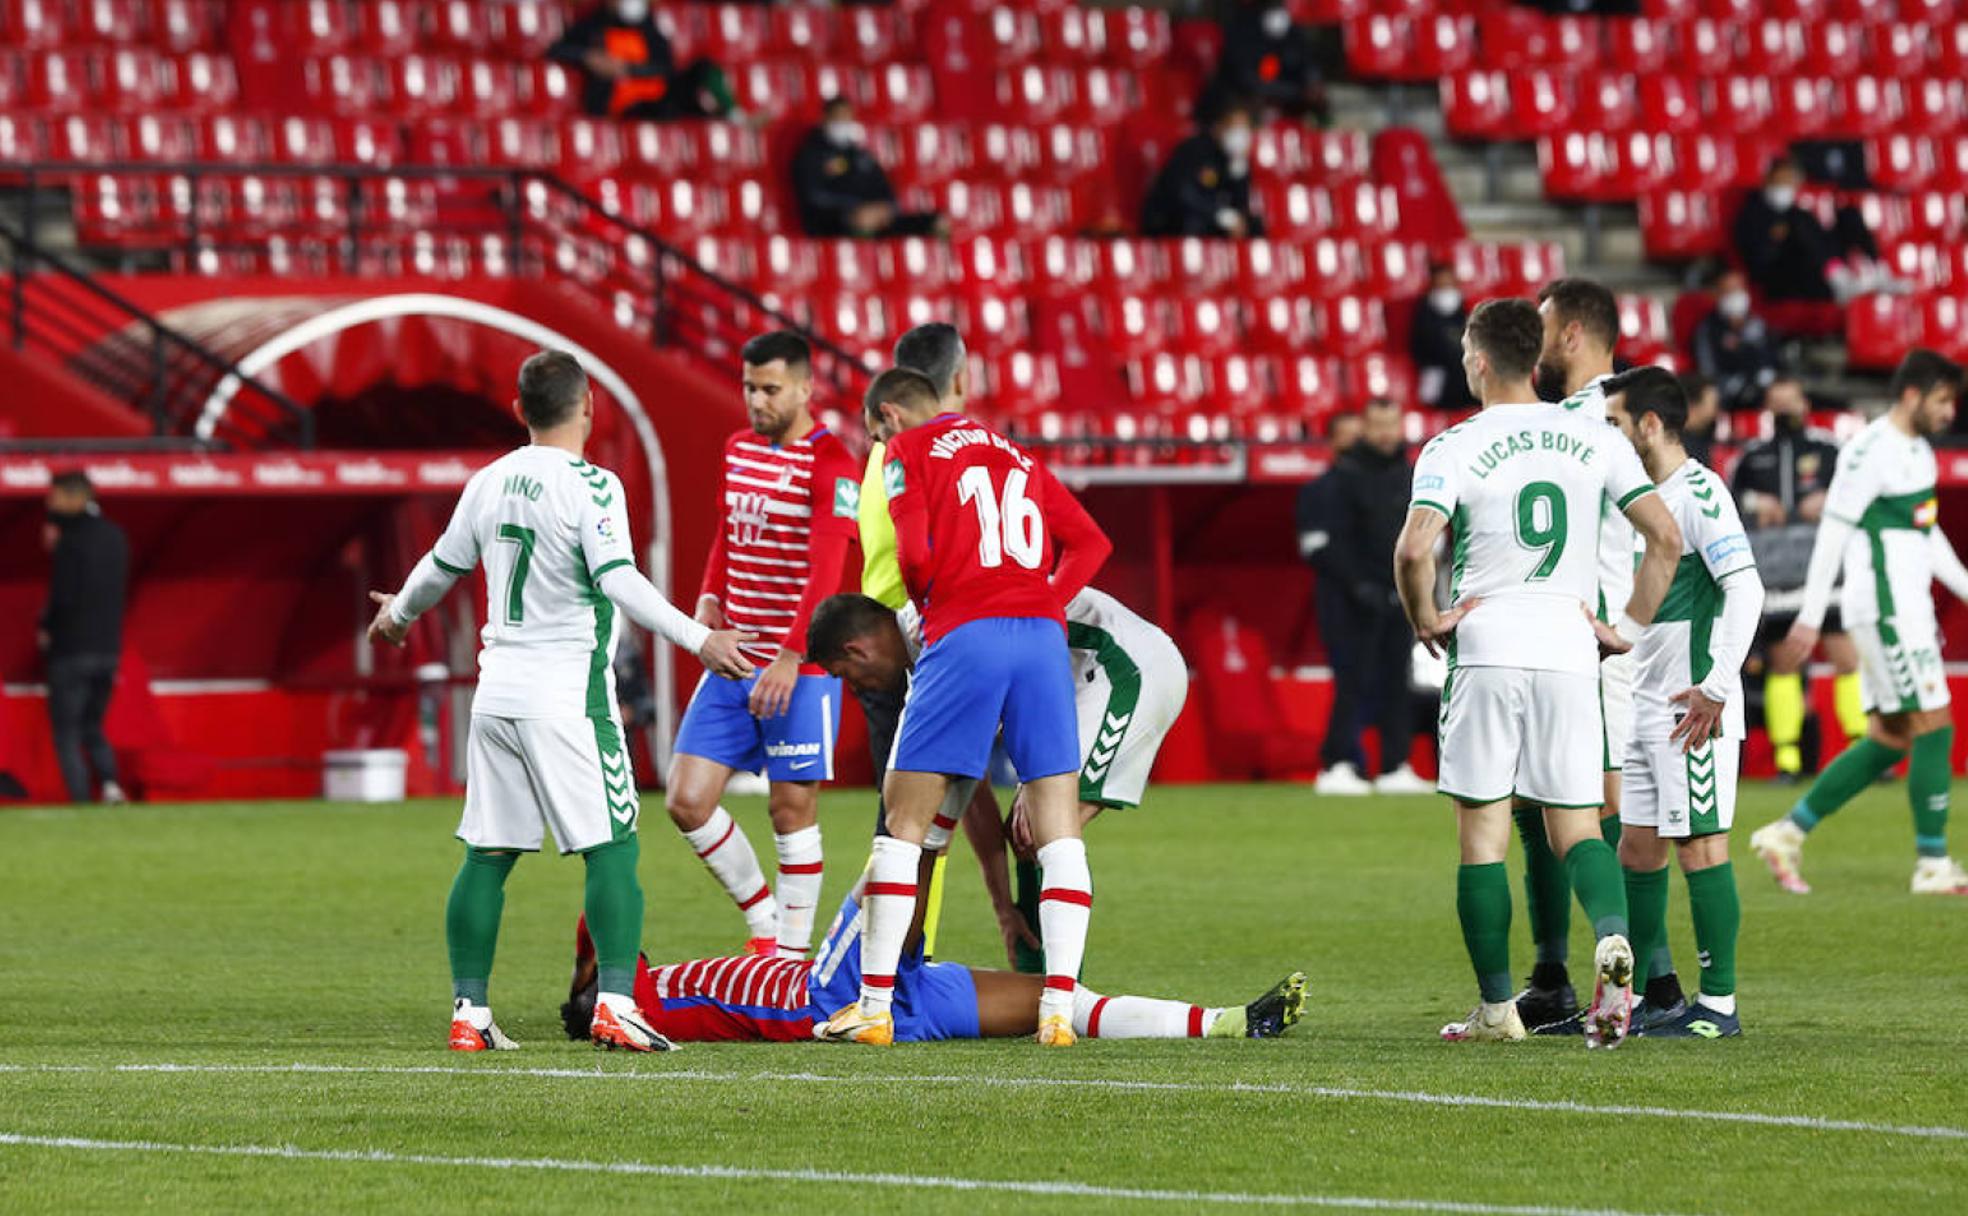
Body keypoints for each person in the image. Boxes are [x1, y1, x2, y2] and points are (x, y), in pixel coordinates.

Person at [366, 349, 752, 1054]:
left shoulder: (489, 481)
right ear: (589, 408)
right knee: (614, 847)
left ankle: (469, 1013)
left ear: (519, 410)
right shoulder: (594, 485)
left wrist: (396, 617)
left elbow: (439, 568)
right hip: (567, 696)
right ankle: (614, 1002)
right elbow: (620, 581)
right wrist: (699, 639)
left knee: (488, 855)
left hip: (496, 696)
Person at [1393, 297, 1682, 1047]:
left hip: (1487, 643)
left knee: (1483, 834)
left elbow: (1414, 549)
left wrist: (1426, 619)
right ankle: (1612, 940)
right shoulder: (1595, 436)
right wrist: (1625, 631)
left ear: (1481, 361)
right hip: (1567, 643)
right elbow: (1666, 538)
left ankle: (1496, 1013)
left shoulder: (1452, 445)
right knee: (1579, 826)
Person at [816, 366, 1112, 1047]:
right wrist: (1044, 599)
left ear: (889, 417)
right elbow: (1094, 542)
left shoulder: (905, 453)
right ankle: (1058, 1010)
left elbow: (915, 555)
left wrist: (932, 608)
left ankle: (875, 1006)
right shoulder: (1016, 453)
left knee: (903, 819)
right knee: (1058, 825)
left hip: (966, 630)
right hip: (1041, 635)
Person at [806, 586, 1189, 967]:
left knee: (1044, 830)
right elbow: (968, 790)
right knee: (1025, 835)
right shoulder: (929, 649)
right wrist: (1004, 910)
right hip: (1079, 681)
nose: (855, 689)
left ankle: (1059, 998)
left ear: (857, 650)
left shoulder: (943, 637)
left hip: (1125, 668)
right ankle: (1033, 985)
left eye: (846, 677)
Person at [1522, 277, 1689, 1035]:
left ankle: (1653, 982)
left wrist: (1624, 627)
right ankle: (1556, 974)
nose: (1537, 342)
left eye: (1545, 326)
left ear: (1570, 336)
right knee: (1540, 803)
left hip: (1596, 646)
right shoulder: (1617, 416)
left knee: (1602, 808)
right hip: (1594, 640)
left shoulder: (1588, 421)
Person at [666, 331, 861, 961]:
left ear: (807, 388)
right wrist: (707, 598)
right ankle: (764, 920)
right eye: (749, 387)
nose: (757, 400)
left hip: (799, 666)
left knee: (790, 809)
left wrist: (792, 655)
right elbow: (727, 531)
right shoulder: (738, 448)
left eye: (770, 388)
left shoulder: (833, 464)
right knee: (687, 800)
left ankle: (791, 961)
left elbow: (827, 568)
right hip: (735, 654)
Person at [559, 885, 1305, 1045]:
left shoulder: (642, 982)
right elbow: (602, 903)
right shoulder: (632, 1009)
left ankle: (1232, 1022)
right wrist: (587, 981)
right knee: (896, 853)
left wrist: (596, 967)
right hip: (827, 1000)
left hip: (893, 994)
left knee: (1061, 997)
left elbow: (605, 927)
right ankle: (949, 741)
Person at [1750, 350, 1968, 896]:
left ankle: (1786, 831)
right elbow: (1833, 532)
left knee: (1891, 737)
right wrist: (1807, 613)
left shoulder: (1917, 451)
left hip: (1907, 607)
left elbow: (1924, 531)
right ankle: (1933, 864)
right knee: (1936, 725)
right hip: (1886, 610)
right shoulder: (1867, 452)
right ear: (1913, 395)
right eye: (1943, 401)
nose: (1950, 413)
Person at [1602, 367, 1765, 1039]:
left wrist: (1719, 688)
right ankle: (1647, 998)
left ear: (1649, 424)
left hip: (1690, 705)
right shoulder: (1640, 498)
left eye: (1614, 423)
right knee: (1638, 849)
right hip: (1646, 699)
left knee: (1701, 846)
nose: (1607, 436)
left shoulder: (1699, 492)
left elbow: (1746, 587)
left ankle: (1718, 1006)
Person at [1730, 377, 1862, 784]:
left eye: (1790, 403)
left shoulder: (1827, 449)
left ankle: (1861, 751)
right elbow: (1731, 501)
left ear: (1805, 403)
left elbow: (1857, 492)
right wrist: (1757, 503)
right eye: (1777, 404)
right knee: (1785, 661)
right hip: (1779, 573)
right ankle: (1787, 758)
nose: (1784, 410)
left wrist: (1829, 500)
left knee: (1846, 657)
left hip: (1826, 569)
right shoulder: (1753, 456)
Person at [1311, 399, 1429, 796]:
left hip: (1400, 597)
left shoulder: (1410, 475)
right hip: (1351, 599)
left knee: (1399, 682)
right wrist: (1360, 586)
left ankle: (1395, 764)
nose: (1384, 432)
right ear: (1364, 427)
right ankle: (1337, 762)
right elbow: (1333, 544)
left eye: (1390, 423)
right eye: (1376, 423)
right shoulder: (1342, 478)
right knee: (1352, 681)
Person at [38, 470, 129, 805]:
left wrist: (46, 626)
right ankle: (110, 787)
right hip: (108, 649)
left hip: (72, 650)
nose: (50, 503)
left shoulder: (70, 542)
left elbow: (63, 596)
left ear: (77, 497)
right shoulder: (116, 536)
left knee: (66, 733)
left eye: (55, 496)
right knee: (94, 726)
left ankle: (80, 802)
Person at [1733, 157, 1894, 305]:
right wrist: (1773, 239)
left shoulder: (1798, 213)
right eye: (1780, 180)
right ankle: (1837, 279)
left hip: (1815, 269)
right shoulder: (1752, 212)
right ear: (1768, 180)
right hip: (1782, 275)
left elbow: (1821, 241)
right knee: (1800, 226)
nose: (1784, 186)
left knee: (1848, 214)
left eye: (1789, 182)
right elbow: (1756, 257)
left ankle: (1880, 271)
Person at [547, 0, 735, 121]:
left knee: (701, 71)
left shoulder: (649, 30)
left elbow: (666, 67)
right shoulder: (593, 26)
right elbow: (556, 50)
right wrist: (588, 57)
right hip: (622, 106)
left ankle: (733, 117)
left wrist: (629, 69)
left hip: (656, 96)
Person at [792, 97, 945, 239]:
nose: (844, 123)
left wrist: (885, 207)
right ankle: (866, 263)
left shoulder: (861, 155)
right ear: (824, 119)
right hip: (832, 223)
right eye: (838, 117)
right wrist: (854, 209)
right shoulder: (810, 155)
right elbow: (814, 196)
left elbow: (885, 189)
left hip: (873, 218)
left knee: (936, 221)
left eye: (848, 118)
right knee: (863, 220)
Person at [1140, 100, 1263, 239]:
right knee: (1195, 221)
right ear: (1218, 127)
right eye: (1234, 127)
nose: (1240, 135)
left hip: (1210, 217)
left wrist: (1239, 168)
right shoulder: (1194, 149)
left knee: (1254, 225)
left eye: (1244, 128)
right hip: (1171, 218)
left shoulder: (1234, 158)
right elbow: (1182, 194)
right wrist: (1220, 215)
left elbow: (1240, 205)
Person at [1200, 0, 1329, 128]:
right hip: (1235, 108)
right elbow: (1247, 80)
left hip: (1285, 108)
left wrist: (1313, 82)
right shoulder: (1241, 29)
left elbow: (1307, 62)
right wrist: (1297, 93)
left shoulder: (1292, 32)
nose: (1278, 9)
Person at [1692, 269, 1787, 413]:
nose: (1736, 296)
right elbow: (1709, 373)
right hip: (1731, 396)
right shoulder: (1709, 329)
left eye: (1739, 290)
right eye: (1729, 291)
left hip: (1767, 389)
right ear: (1718, 296)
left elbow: (1774, 359)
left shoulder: (1759, 324)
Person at [1410, 264, 1475, 415]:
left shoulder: (1465, 312)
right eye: (1441, 285)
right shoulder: (1423, 316)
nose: (1445, 290)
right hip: (1439, 384)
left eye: (1448, 284)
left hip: (1465, 382)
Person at [1678, 372, 1720, 468]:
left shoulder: (1711, 435)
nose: (1717, 411)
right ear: (1692, 406)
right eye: (1713, 405)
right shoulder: (1674, 447)